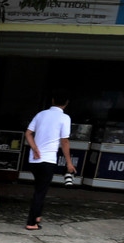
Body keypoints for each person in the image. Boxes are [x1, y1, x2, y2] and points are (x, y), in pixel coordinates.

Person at [23, 95, 76, 230]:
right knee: (40, 192)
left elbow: (28, 133)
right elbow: (64, 141)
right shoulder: (65, 118)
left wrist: (34, 148)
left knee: (39, 189)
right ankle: (31, 222)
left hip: (34, 160)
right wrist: (69, 163)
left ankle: (38, 215)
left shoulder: (40, 114)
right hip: (48, 160)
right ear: (67, 103)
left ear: (52, 100)